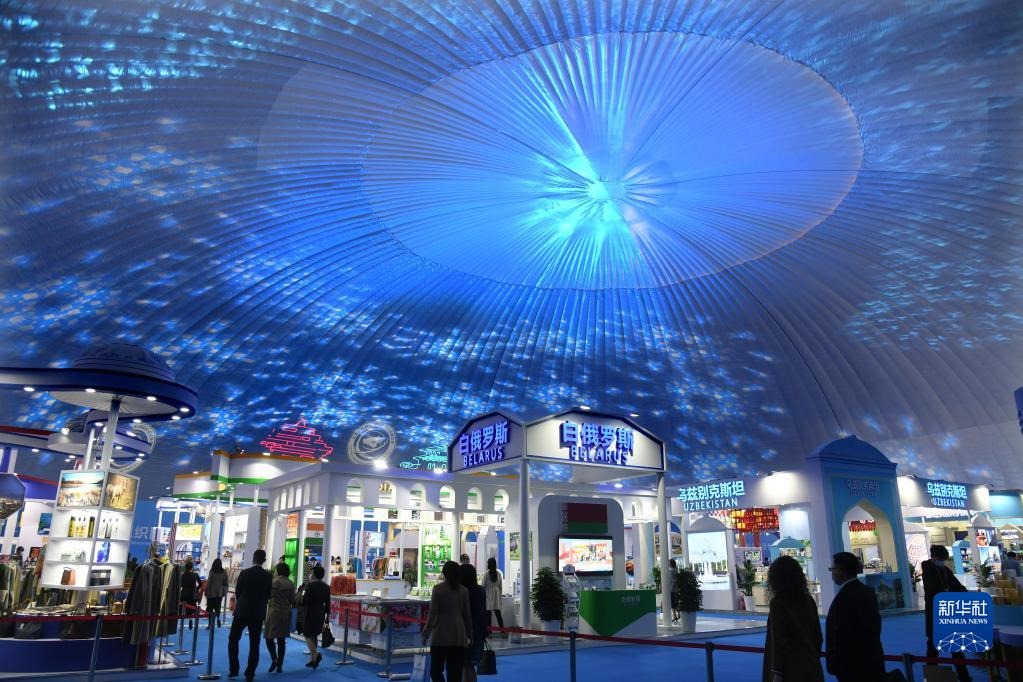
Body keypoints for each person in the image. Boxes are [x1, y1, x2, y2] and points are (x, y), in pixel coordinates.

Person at [824, 552, 885, 682]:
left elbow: (842, 635)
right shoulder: (867, 591)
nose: (832, 573)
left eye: (832, 569)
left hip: (852, 667)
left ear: (841, 570)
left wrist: (835, 663)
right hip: (872, 661)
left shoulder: (844, 597)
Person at [762, 556, 824, 682]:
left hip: (790, 669)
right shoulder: (808, 600)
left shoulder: (779, 603)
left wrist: (777, 672)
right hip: (811, 666)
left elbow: (779, 640)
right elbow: (818, 636)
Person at [922, 545, 971, 681]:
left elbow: (957, 585)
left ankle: (964, 676)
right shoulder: (927, 570)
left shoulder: (945, 570)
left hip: (948, 612)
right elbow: (934, 590)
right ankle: (932, 676)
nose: (942, 561)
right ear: (933, 557)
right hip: (935, 613)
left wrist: (967, 594)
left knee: (955, 646)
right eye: (940, 559)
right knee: (933, 646)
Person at [422, 560, 472, 682]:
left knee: (435, 670)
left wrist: (426, 633)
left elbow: (432, 614)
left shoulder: (438, 589)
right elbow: (467, 615)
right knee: (455, 672)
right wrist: (470, 634)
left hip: (440, 633)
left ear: (444, 573)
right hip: (458, 634)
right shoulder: (464, 590)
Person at [228, 549, 272, 682]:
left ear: (253, 558)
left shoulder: (244, 573)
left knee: (233, 639)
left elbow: (238, 591)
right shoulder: (268, 576)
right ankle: (250, 673)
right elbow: (268, 595)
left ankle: (234, 669)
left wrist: (243, 601)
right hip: (258, 613)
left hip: (242, 611)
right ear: (264, 561)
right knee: (254, 643)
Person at [264, 563, 296, 673]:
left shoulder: (272, 581)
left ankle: (274, 659)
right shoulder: (291, 583)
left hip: (273, 612)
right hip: (285, 613)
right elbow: (293, 600)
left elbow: (267, 596)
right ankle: (280, 665)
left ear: (278, 571)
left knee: (268, 637)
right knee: (281, 640)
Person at [460, 563, 488, 682]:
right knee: (470, 666)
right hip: (479, 632)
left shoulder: (462, 592)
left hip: (465, 632)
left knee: (466, 666)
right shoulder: (481, 590)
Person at [300, 564, 330, 669]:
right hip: (320, 613)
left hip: (310, 612)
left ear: (314, 574)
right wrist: (327, 616)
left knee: (307, 634)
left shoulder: (309, 586)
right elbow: (328, 603)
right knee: (314, 635)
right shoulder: (326, 587)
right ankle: (312, 660)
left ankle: (316, 654)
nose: (310, 574)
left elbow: (305, 600)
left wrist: (301, 598)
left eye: (311, 573)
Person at [205, 558, 229, 628]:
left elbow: (209, 582)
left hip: (211, 593)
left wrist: (206, 591)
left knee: (210, 609)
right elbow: (226, 582)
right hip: (219, 593)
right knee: (217, 607)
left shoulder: (212, 571)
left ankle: (210, 624)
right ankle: (218, 618)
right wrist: (225, 591)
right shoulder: (224, 571)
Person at [483, 557, 505, 635]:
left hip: (488, 594)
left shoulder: (486, 573)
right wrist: (499, 595)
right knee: (498, 614)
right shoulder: (498, 573)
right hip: (496, 594)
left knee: (488, 615)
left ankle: (489, 633)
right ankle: (503, 632)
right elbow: (500, 586)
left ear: (488, 564)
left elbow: (483, 585)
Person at [180, 560, 202, 630]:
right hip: (192, 594)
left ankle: (181, 625)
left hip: (183, 594)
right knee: (191, 609)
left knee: (183, 609)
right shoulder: (195, 575)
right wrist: (196, 589)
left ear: (185, 567)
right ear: (192, 567)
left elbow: (180, 585)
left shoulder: (182, 575)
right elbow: (201, 583)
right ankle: (190, 619)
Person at [668, 558, 681, 623]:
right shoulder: (676, 569)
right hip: (676, 589)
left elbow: (672, 581)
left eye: (668, 563)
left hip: (672, 590)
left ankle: (675, 616)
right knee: (676, 603)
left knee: (673, 604)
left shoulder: (671, 571)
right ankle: (678, 615)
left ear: (670, 564)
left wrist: (671, 589)